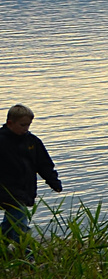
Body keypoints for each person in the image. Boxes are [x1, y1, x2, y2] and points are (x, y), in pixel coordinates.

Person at [0, 104, 62, 244]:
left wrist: (53, 182)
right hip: (6, 191)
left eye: (28, 125)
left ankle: (2, 247)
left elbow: (44, 164)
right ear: (10, 123)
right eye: (22, 125)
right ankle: (28, 255)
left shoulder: (32, 142)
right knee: (20, 223)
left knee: (10, 224)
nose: (26, 129)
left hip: (25, 189)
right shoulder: (2, 141)